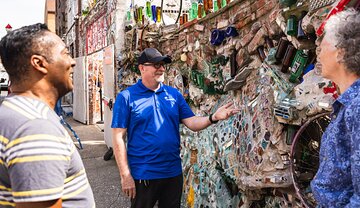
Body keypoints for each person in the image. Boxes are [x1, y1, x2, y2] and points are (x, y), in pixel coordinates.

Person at [111, 47, 239, 208]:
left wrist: (213, 117)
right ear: (142, 68)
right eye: (156, 65)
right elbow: (118, 137)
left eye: (163, 65)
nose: (162, 68)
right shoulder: (126, 97)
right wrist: (125, 175)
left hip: (172, 172)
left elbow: (192, 122)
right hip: (144, 174)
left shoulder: (173, 95)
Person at [0, 23, 95, 208]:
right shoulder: (35, 127)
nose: (73, 61)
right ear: (39, 63)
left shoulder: (13, 112)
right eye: (66, 53)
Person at [311, 8, 360, 207]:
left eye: (322, 48)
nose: (319, 55)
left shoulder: (356, 106)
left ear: (340, 53)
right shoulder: (347, 104)